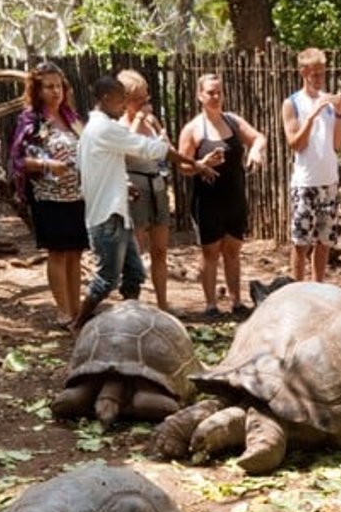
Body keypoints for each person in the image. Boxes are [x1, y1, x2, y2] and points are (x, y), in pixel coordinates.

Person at [70, 74, 170, 332]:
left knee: (134, 275)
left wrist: (122, 186)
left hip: (115, 211)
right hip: (108, 216)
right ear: (105, 98)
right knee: (106, 279)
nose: (124, 106)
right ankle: (78, 324)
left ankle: (130, 324)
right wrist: (162, 139)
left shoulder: (91, 131)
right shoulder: (105, 129)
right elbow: (147, 149)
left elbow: (90, 170)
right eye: (120, 100)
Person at [177, 73, 267, 317]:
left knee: (233, 250)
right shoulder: (192, 129)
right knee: (210, 252)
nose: (215, 97)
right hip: (208, 200)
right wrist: (201, 163)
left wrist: (255, 152)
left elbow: (259, 137)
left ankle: (237, 302)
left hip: (234, 196)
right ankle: (211, 305)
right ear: (199, 96)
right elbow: (182, 166)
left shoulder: (233, 121)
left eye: (219, 92)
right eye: (210, 92)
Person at [9, 60, 87, 327]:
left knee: (76, 252)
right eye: (49, 87)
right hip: (48, 196)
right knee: (58, 252)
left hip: (77, 195)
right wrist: (47, 164)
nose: (55, 92)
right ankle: (63, 311)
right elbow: (19, 160)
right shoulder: (30, 121)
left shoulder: (72, 118)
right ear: (37, 90)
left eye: (59, 86)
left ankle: (78, 310)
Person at [281, 47, 341, 283]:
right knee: (301, 242)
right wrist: (311, 117)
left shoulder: (328, 101)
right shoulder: (292, 104)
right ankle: (297, 289)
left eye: (322, 73)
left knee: (325, 241)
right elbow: (295, 144)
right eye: (315, 74)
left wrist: (339, 114)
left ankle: (318, 287)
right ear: (303, 72)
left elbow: (337, 145)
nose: (320, 79)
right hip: (305, 182)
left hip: (329, 180)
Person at [117, 68, 171, 311]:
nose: (144, 103)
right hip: (136, 186)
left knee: (160, 249)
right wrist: (138, 119)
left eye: (145, 97)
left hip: (157, 183)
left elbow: (165, 148)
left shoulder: (152, 121)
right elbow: (126, 146)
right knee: (137, 248)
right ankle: (133, 303)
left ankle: (162, 303)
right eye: (138, 99)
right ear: (125, 101)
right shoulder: (121, 125)